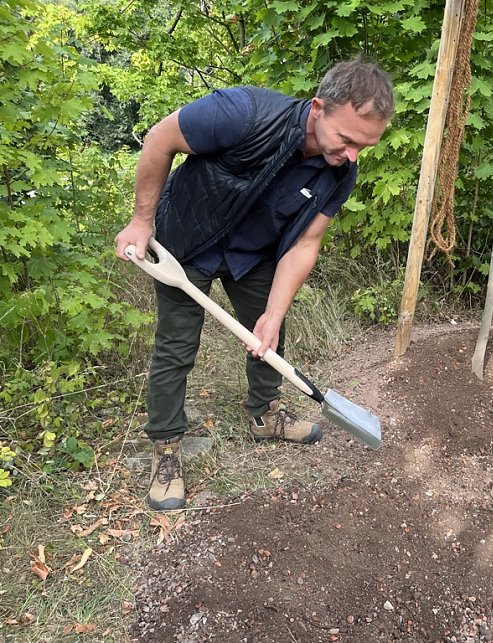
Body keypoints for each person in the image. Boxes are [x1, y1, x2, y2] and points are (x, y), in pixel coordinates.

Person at [115, 59, 394, 510]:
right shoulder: (242, 113)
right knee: (176, 347)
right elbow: (159, 139)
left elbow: (305, 243)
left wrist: (275, 312)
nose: (353, 156)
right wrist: (141, 221)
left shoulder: (340, 171)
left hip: (253, 253)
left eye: (365, 146)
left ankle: (265, 416)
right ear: (319, 108)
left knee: (269, 334)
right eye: (347, 140)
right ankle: (166, 449)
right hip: (187, 241)